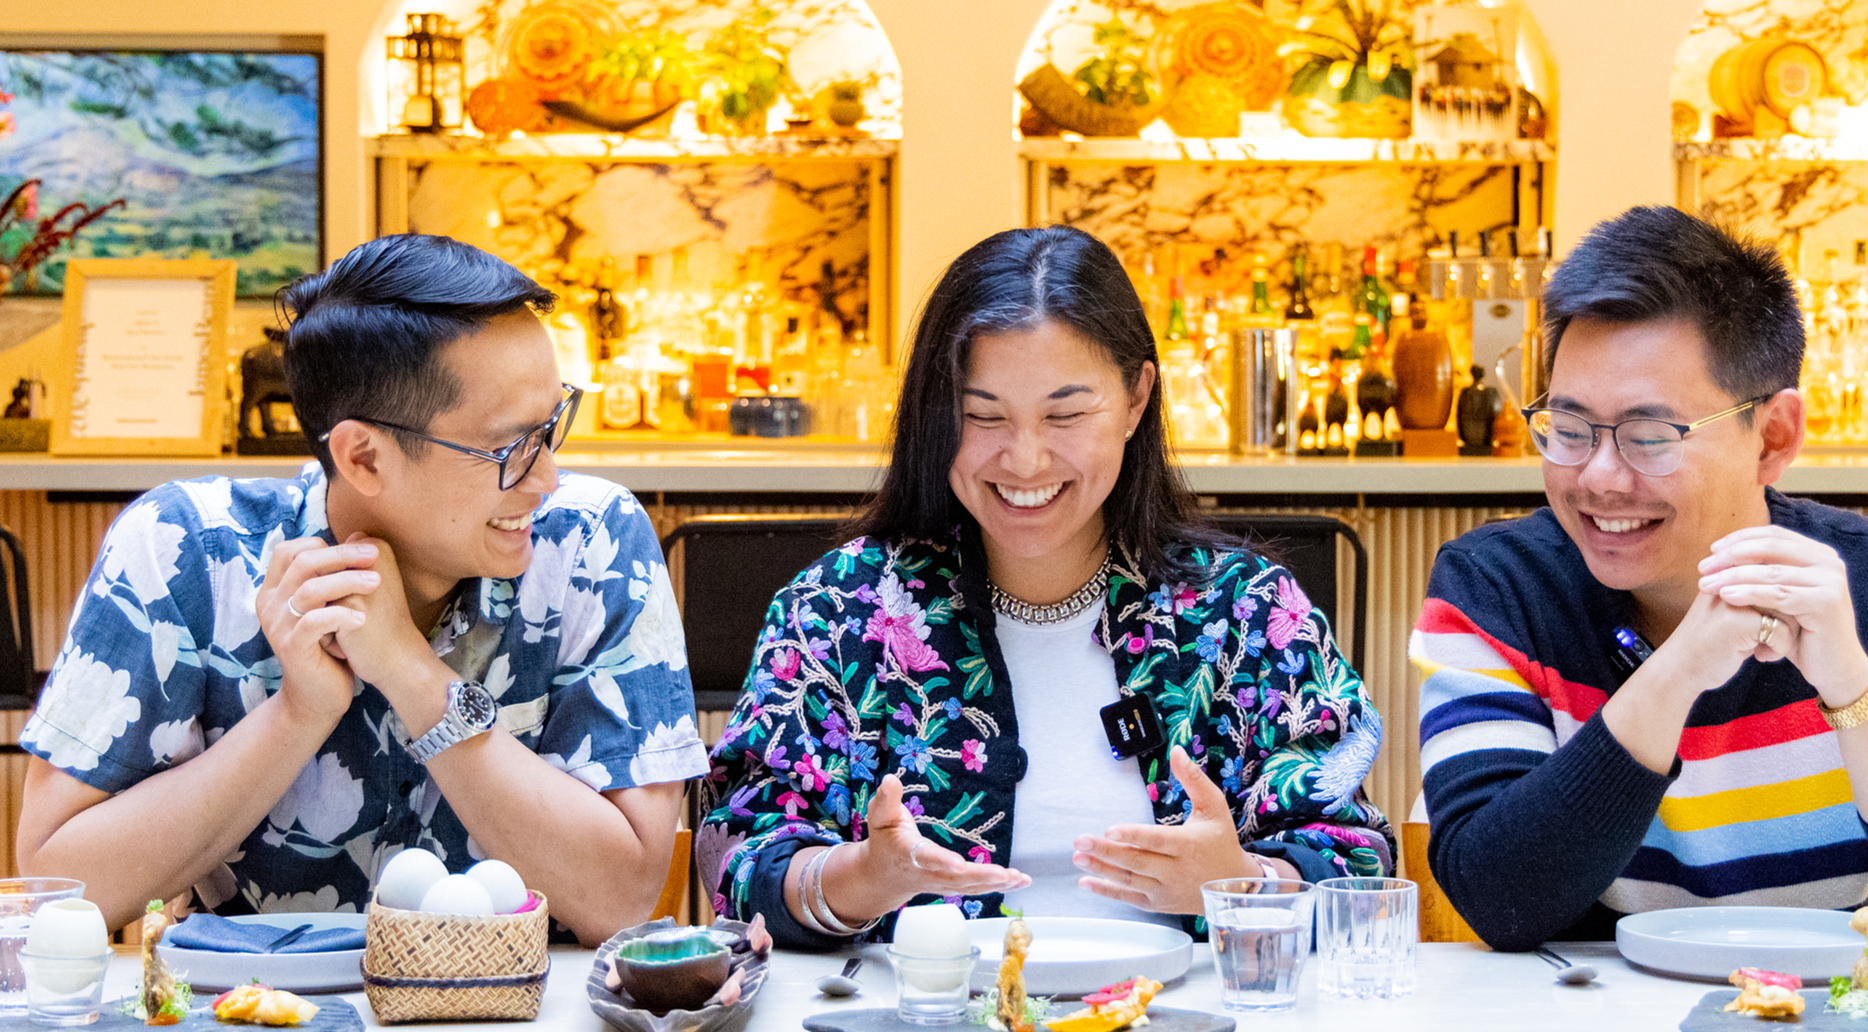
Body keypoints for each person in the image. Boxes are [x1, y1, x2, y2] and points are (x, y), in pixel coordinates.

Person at [697, 225, 1393, 949]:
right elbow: (733, 852)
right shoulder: (839, 609)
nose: (1024, 459)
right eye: (981, 415)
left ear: (1135, 399)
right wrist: (859, 877)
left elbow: (1362, 863)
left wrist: (1245, 882)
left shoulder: (1245, 611)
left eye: (1064, 414)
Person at [15, 234, 705, 942]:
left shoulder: (591, 544)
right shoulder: (188, 548)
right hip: (260, 1023)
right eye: (507, 449)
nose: (546, 478)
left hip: (528, 1025)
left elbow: (621, 897)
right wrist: (297, 712)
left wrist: (411, 672)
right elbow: (60, 890)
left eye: (549, 426)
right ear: (363, 456)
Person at [1411, 206, 1868, 950]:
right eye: (1569, 426)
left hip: (1830, 1028)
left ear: (1772, 437)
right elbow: (1499, 899)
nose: (1597, 476)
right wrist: (1680, 667)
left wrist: (1851, 684)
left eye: (1650, 437)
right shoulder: (1495, 590)